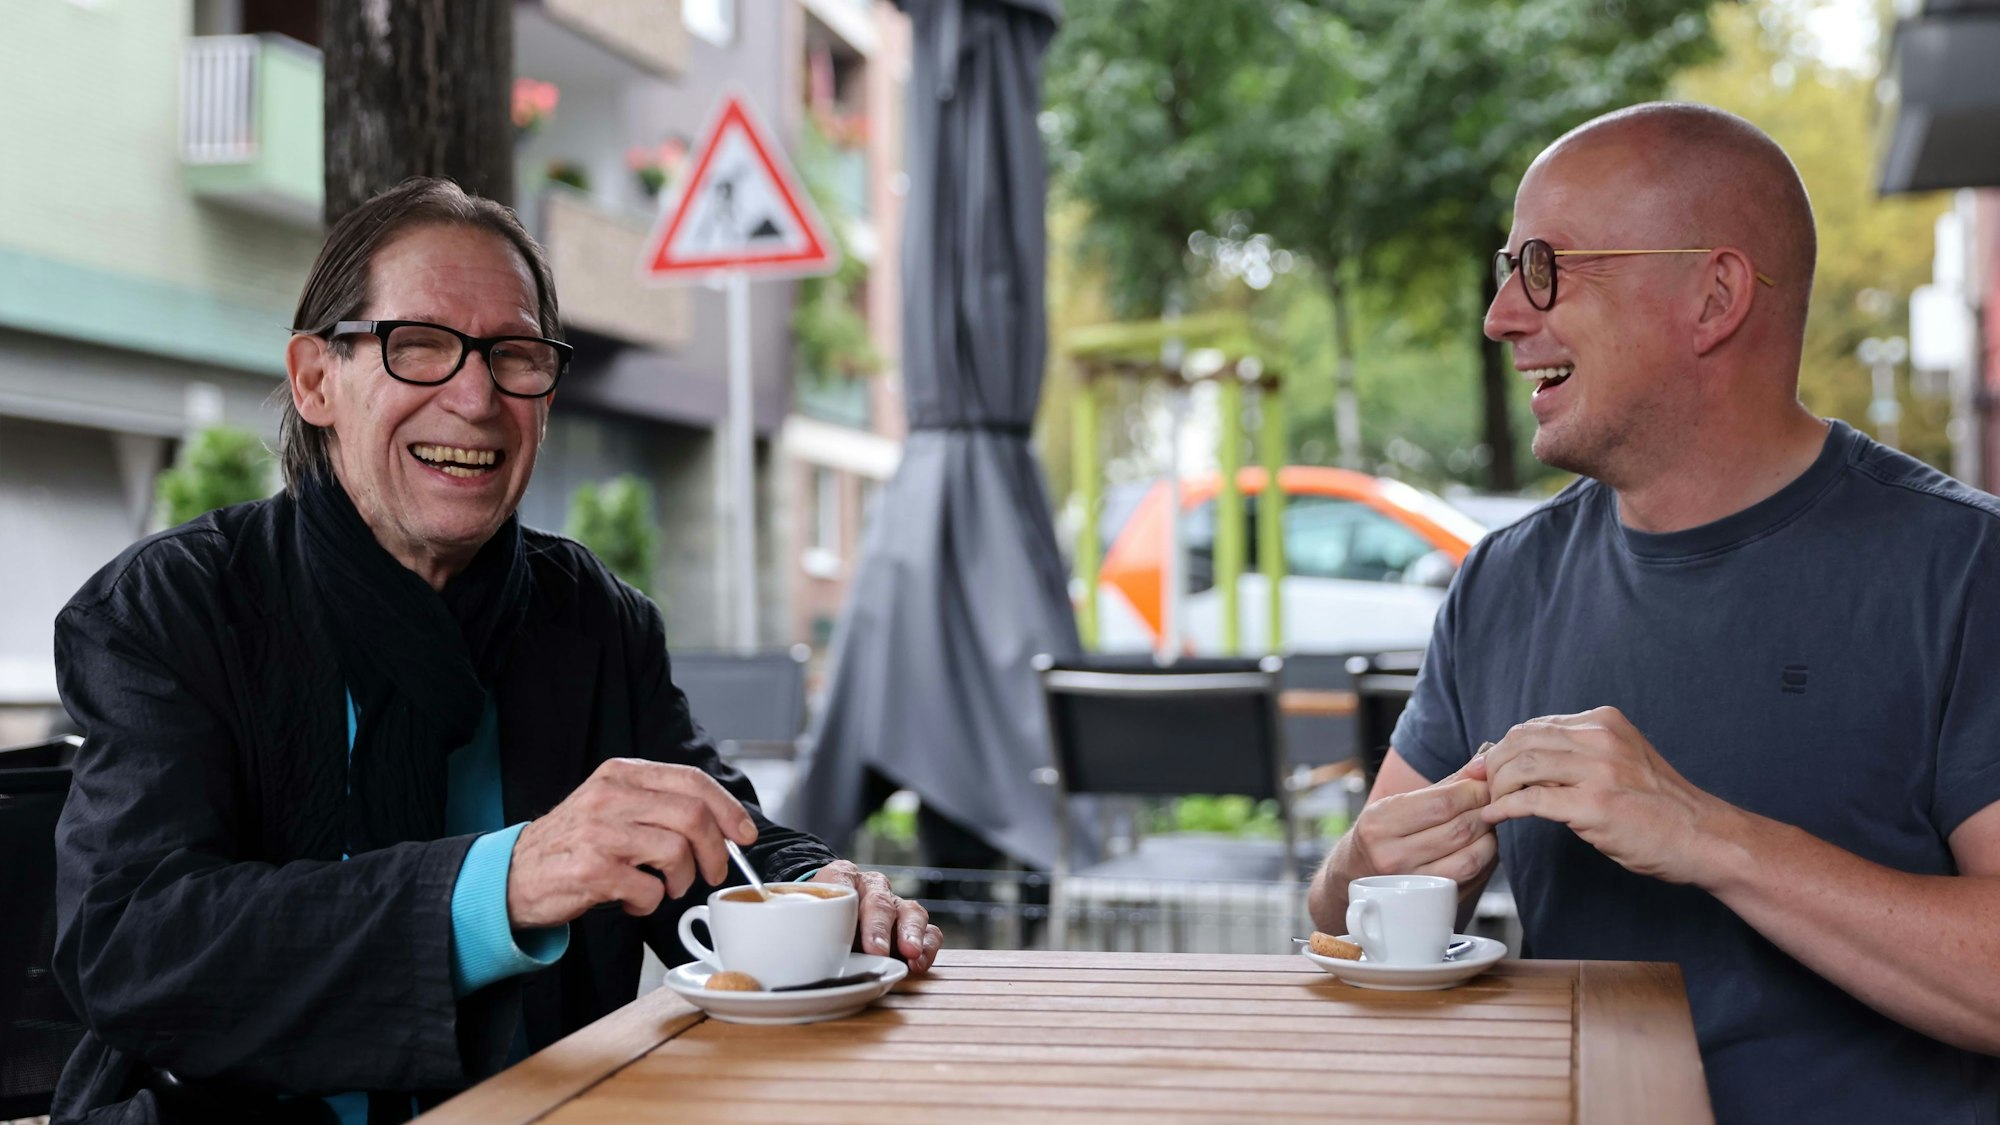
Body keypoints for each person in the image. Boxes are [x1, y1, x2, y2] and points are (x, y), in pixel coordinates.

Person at [49, 177, 942, 1124]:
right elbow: (133, 947)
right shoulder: (169, 608)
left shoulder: (590, 618)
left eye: (516, 355)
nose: (475, 397)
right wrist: (506, 882)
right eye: (420, 345)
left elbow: (707, 843)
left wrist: (823, 889)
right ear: (317, 379)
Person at [1307, 103, 2000, 1123]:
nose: (1501, 314)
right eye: (1507, 268)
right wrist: (1367, 870)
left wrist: (1706, 837)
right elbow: (1341, 921)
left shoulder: (1965, 570)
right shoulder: (1502, 579)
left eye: (1542, 265)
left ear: (1712, 296)